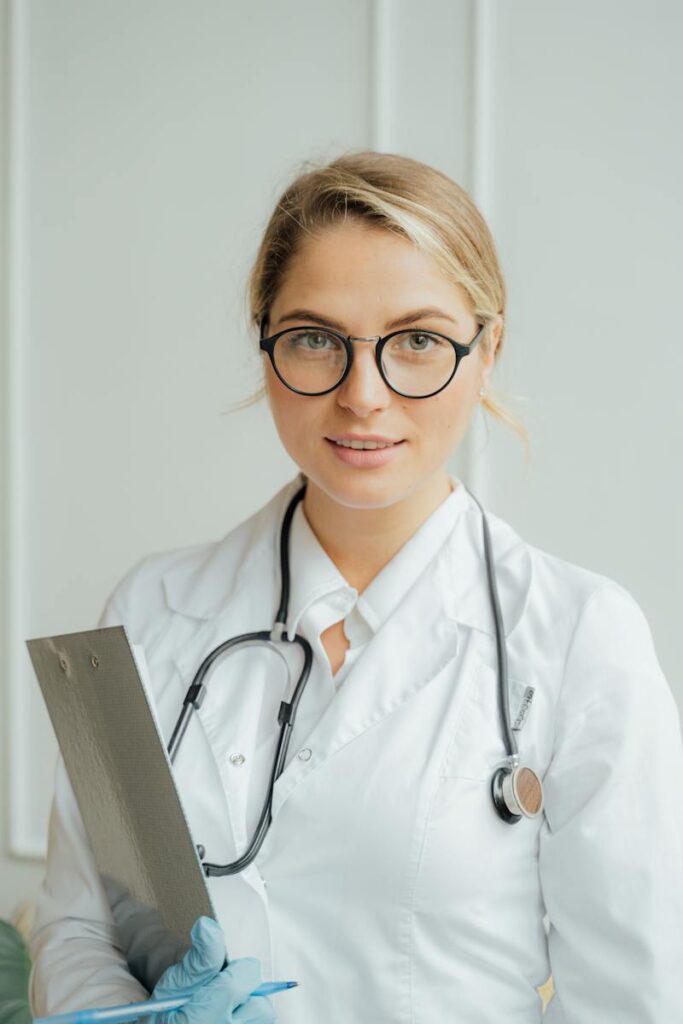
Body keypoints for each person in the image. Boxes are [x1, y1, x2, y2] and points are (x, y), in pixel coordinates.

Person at [28, 151, 683, 1023]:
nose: (362, 395)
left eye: (416, 341)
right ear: (265, 346)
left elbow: (630, 1002)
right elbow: (78, 930)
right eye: (314, 339)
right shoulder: (150, 610)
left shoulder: (579, 637)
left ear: (486, 350)